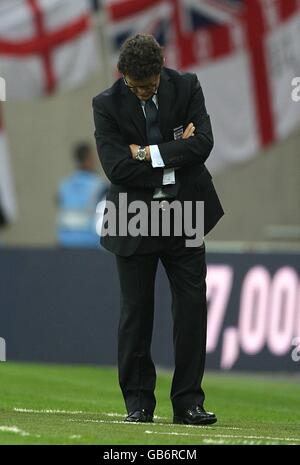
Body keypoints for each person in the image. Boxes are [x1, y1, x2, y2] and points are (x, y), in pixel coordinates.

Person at [92, 34, 224, 425]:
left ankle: (188, 403)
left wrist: (147, 152)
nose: (145, 92)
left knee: (191, 309)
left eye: (150, 85)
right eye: (137, 86)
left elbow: (203, 144)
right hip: (133, 217)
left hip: (184, 213)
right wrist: (173, 154)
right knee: (136, 313)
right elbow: (116, 168)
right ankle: (138, 403)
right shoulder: (105, 105)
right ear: (123, 76)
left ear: (162, 67)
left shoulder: (187, 87)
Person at [56, 142, 108, 248]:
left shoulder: (64, 185)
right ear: (88, 159)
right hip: (90, 244)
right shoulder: (99, 186)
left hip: (64, 242)